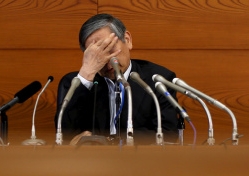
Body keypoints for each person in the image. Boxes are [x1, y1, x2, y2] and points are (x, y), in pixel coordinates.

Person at [55, 14, 181, 145]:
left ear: (127, 39)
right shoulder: (73, 83)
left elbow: (167, 134)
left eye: (110, 48)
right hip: (92, 163)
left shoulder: (158, 79)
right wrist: (86, 74)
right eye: (96, 54)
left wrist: (110, 142)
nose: (106, 60)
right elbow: (64, 136)